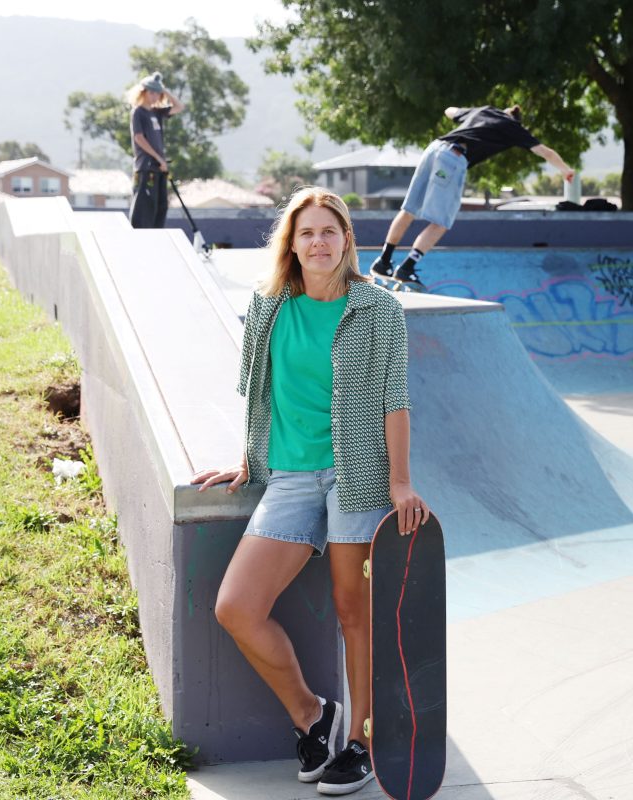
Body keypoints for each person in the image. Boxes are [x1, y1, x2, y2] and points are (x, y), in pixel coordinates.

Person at [192, 186, 429, 796]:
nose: (318, 242)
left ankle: (361, 743)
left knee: (354, 610)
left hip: (358, 474)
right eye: (306, 233)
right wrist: (248, 459)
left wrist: (400, 482)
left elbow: (394, 401)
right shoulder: (268, 307)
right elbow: (258, 391)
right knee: (237, 607)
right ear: (291, 244)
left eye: (329, 231)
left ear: (347, 240)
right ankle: (313, 717)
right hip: (292, 477)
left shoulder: (378, 310)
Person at [370, 104, 574, 290]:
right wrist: (565, 170)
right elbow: (544, 152)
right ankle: (407, 268)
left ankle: (383, 262)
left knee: (409, 210)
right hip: (453, 158)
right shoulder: (513, 128)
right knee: (442, 222)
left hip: (433, 149)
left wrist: (463, 113)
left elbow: (449, 111)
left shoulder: (483, 111)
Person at [126, 72, 184, 229]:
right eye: (151, 92)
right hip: (146, 167)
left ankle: (157, 236)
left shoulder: (157, 113)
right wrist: (158, 158)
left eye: (157, 93)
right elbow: (139, 138)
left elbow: (179, 107)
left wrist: (164, 90)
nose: (154, 96)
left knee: (160, 206)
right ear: (143, 92)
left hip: (160, 168)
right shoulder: (138, 112)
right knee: (144, 206)